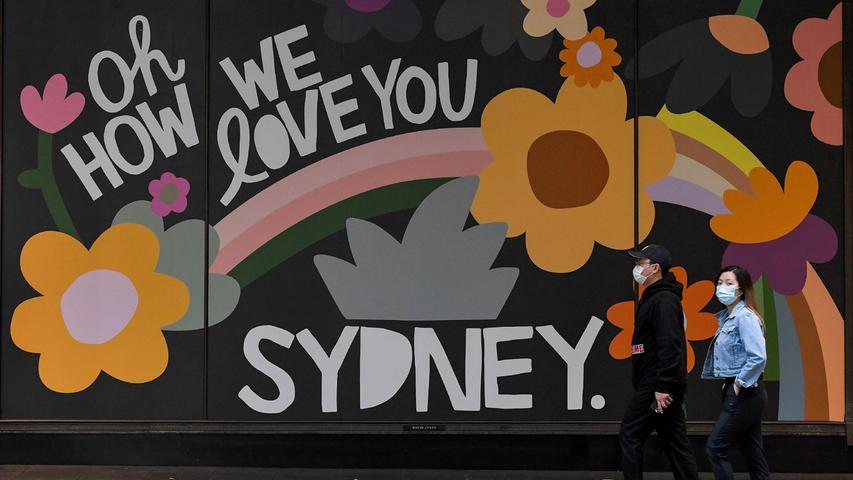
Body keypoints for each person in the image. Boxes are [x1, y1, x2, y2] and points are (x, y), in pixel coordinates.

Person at [619, 244, 699, 480]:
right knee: (675, 442)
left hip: (657, 384)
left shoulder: (663, 300)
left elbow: (670, 344)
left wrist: (662, 386)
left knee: (630, 433)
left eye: (640, 263)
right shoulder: (654, 298)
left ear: (654, 268)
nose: (636, 268)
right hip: (659, 383)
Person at [701, 265, 770, 480]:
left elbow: (758, 356)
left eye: (729, 283)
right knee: (752, 451)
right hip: (741, 390)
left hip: (746, 391)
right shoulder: (725, 318)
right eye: (720, 283)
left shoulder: (744, 317)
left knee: (715, 447)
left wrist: (738, 384)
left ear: (740, 290)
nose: (722, 287)